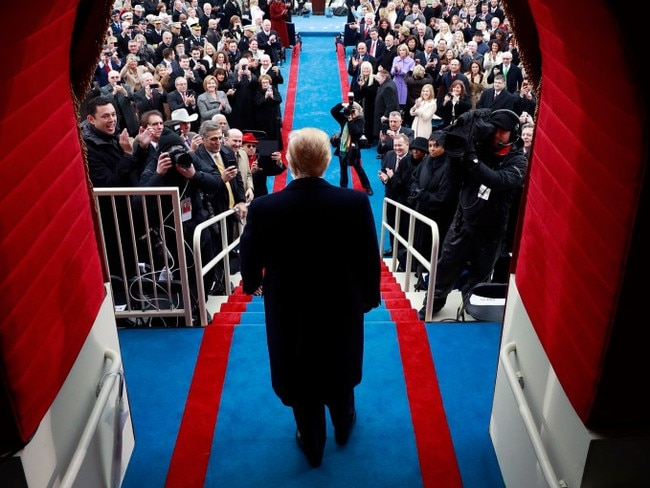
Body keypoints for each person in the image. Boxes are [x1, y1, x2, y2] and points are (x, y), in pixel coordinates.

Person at [239, 127, 381, 468]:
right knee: (339, 364)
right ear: (328, 160)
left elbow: (250, 258)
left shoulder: (264, 208)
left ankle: (312, 442)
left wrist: (250, 283)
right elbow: (368, 254)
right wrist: (369, 297)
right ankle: (344, 422)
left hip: (289, 309)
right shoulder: (355, 202)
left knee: (299, 373)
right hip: (341, 306)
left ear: (288, 161)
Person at [418, 108, 528, 319]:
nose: (496, 135)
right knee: (445, 269)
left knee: (480, 276)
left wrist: (472, 160)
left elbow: (499, 180)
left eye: (502, 131)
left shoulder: (518, 161)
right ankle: (432, 305)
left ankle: (473, 312)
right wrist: (456, 152)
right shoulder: (478, 146)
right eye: (494, 129)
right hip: (463, 223)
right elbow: (454, 175)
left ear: (513, 133)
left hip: (491, 231)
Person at [82, 95, 153, 275]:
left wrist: (142, 149)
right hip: (112, 216)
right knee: (122, 265)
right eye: (106, 116)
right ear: (91, 119)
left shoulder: (113, 134)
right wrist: (128, 154)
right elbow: (109, 182)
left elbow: (131, 169)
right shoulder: (88, 148)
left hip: (129, 210)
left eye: (113, 114)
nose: (112, 119)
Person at [406, 131, 457, 287]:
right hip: (422, 212)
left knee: (435, 249)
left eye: (436, 146)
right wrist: (415, 190)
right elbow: (414, 178)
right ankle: (420, 274)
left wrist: (424, 196)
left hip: (439, 218)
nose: (432, 149)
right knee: (420, 244)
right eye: (430, 146)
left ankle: (432, 281)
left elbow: (444, 197)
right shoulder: (426, 161)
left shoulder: (450, 166)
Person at [330, 100, 374, 195]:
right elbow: (333, 111)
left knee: (358, 169)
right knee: (343, 169)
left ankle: (367, 186)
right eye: (351, 110)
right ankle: (343, 187)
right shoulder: (344, 118)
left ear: (358, 111)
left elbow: (355, 132)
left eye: (354, 110)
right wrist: (342, 105)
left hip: (354, 149)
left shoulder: (360, 120)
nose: (352, 113)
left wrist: (350, 120)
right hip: (342, 147)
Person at [240, 131, 286, 197]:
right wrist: (251, 173)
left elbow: (276, 171)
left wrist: (279, 161)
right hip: (243, 194)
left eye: (254, 146)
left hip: (260, 194)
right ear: (242, 147)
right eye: (249, 146)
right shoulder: (237, 159)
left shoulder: (261, 159)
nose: (251, 148)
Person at [223, 128, 255, 202]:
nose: (237, 144)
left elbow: (248, 175)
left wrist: (250, 188)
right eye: (235, 141)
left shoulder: (243, 154)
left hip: (243, 200)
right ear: (225, 139)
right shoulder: (219, 155)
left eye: (240, 141)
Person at [390, 43, 415, 111]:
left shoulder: (411, 61)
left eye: (403, 50)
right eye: (400, 50)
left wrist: (400, 70)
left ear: (406, 51)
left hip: (405, 84)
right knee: (395, 102)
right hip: (396, 83)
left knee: (403, 104)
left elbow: (410, 74)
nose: (401, 52)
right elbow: (392, 72)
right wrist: (396, 70)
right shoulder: (395, 59)